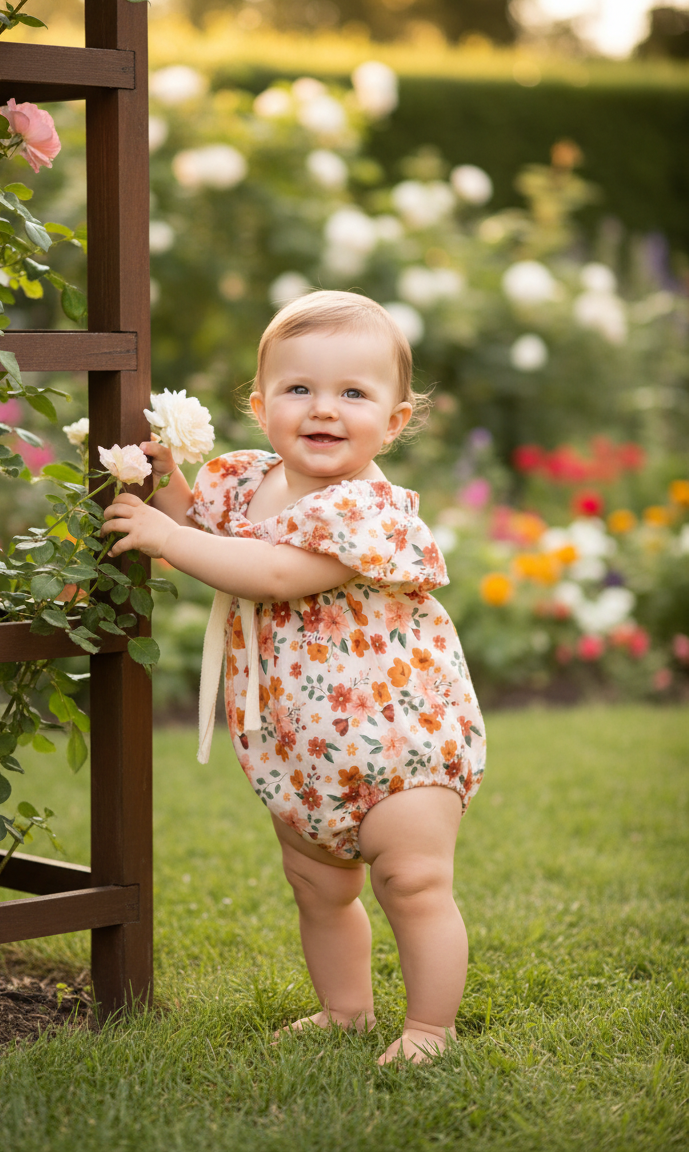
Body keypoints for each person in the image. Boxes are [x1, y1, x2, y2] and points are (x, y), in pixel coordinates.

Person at [101, 290, 486, 1064]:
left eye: (353, 393)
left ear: (396, 420)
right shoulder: (248, 481)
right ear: (260, 403)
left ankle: (429, 1029)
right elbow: (213, 523)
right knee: (318, 887)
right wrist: (166, 479)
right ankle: (346, 1011)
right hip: (299, 751)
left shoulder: (368, 511)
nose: (324, 409)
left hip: (402, 743)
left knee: (412, 884)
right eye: (299, 388)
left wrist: (164, 539)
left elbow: (273, 571)